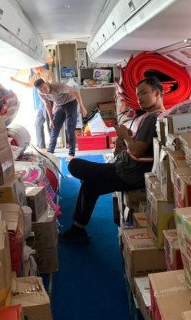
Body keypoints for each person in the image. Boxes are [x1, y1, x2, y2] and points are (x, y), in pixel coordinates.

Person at [60, 76, 166, 244]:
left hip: (129, 173)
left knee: (74, 165)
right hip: (132, 170)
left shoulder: (153, 118)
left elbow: (137, 151)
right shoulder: (157, 117)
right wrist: (129, 138)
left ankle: (77, 229)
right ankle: (78, 229)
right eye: (138, 95)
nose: (139, 98)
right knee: (90, 185)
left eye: (144, 93)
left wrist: (124, 136)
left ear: (157, 93)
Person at [35, 78, 88, 161]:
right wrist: (51, 119)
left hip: (70, 103)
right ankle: (50, 152)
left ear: (47, 83)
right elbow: (47, 104)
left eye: (44, 88)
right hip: (60, 105)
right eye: (41, 90)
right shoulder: (41, 93)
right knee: (54, 128)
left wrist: (82, 107)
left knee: (70, 128)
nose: (44, 91)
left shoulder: (58, 86)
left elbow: (76, 91)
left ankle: (71, 154)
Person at [10, 65, 53, 150]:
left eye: (33, 68)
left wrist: (54, 104)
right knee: (38, 123)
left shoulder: (48, 73)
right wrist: (15, 80)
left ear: (37, 67)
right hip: (42, 101)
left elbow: (51, 87)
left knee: (49, 124)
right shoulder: (36, 75)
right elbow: (29, 85)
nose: (32, 70)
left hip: (49, 99)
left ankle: (52, 145)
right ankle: (41, 147)